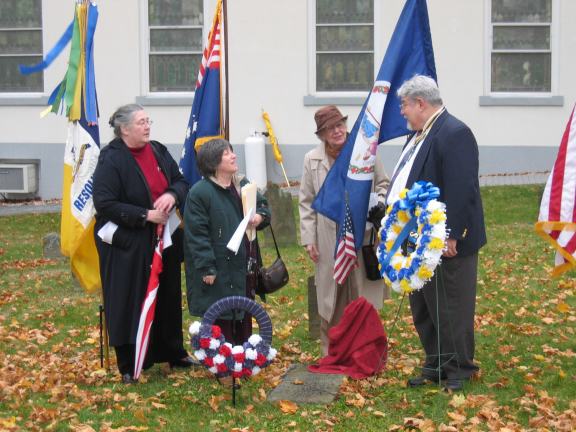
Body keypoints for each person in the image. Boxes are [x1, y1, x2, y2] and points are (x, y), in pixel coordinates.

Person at [379, 75, 486, 391]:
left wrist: (452, 234)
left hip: (446, 239)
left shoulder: (454, 133)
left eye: (404, 106)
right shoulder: (418, 135)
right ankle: (436, 361)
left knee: (450, 304)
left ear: (420, 103)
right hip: (418, 237)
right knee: (424, 304)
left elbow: (461, 186)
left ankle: (460, 368)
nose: (402, 113)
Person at [93, 104, 194, 384]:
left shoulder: (158, 150)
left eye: (148, 121)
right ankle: (129, 362)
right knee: (129, 297)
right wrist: (145, 215)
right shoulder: (111, 159)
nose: (147, 126)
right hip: (129, 241)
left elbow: (180, 181)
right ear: (124, 129)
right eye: (140, 122)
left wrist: (172, 195)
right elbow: (104, 203)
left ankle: (172, 350)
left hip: (165, 237)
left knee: (169, 293)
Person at [299, 105, 390, 356]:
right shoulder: (312, 160)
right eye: (329, 128)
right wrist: (309, 239)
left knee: (362, 293)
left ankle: (368, 351)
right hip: (328, 237)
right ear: (322, 135)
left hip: (363, 232)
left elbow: (383, 183)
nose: (336, 131)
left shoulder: (365, 150)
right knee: (331, 296)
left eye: (339, 125)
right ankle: (333, 352)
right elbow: (306, 201)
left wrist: (378, 204)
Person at [184, 138, 270, 347]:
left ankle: (244, 356)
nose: (233, 156)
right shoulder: (200, 192)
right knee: (220, 311)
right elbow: (197, 234)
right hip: (218, 265)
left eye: (232, 151)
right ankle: (223, 361)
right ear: (214, 162)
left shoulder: (243, 185)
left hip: (243, 262)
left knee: (243, 308)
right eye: (227, 153)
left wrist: (259, 217)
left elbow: (264, 208)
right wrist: (207, 268)